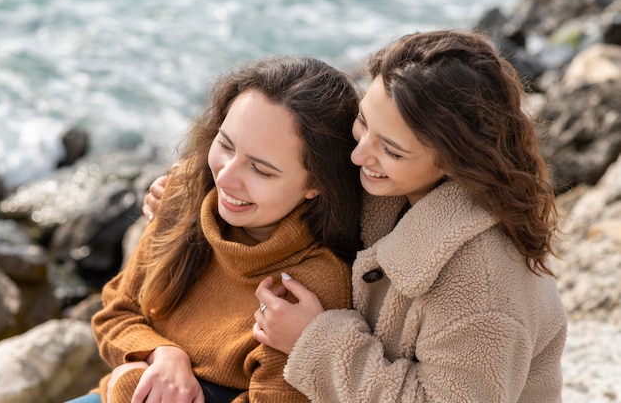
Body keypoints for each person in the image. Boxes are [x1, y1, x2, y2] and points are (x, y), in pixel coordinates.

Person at [144, 30, 568, 402]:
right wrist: (191, 187)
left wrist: (316, 342)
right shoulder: (394, 190)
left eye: (392, 150)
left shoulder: (486, 288)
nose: (358, 155)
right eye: (363, 122)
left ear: (455, 162)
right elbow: (279, 161)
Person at [67, 55, 363, 403]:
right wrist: (161, 354)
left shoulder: (309, 285)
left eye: (261, 170)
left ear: (316, 183)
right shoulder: (181, 196)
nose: (224, 178)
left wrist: (132, 385)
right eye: (225, 145)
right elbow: (116, 312)